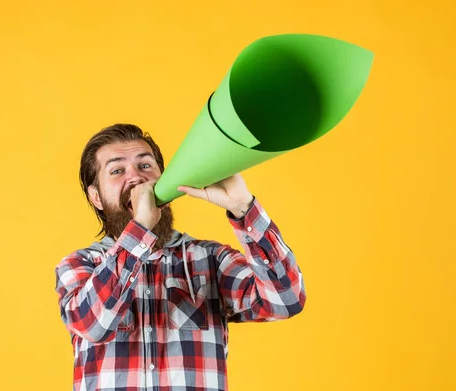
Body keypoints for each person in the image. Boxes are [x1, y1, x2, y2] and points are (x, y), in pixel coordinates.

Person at [54, 123, 306, 391]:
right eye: (117, 170)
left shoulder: (211, 259)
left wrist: (244, 207)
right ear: (97, 197)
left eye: (145, 166)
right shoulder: (80, 266)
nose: (136, 178)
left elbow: (286, 301)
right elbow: (93, 325)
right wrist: (140, 229)